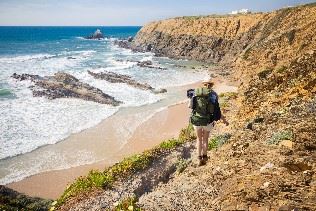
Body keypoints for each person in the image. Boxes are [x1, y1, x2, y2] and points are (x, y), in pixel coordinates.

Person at [188, 79, 229, 166]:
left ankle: (199, 158)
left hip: (197, 120)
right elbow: (217, 110)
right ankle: (205, 157)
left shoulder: (196, 92)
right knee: (205, 139)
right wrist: (224, 120)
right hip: (208, 121)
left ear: (203, 85)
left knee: (199, 139)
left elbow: (190, 106)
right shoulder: (214, 94)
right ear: (212, 85)